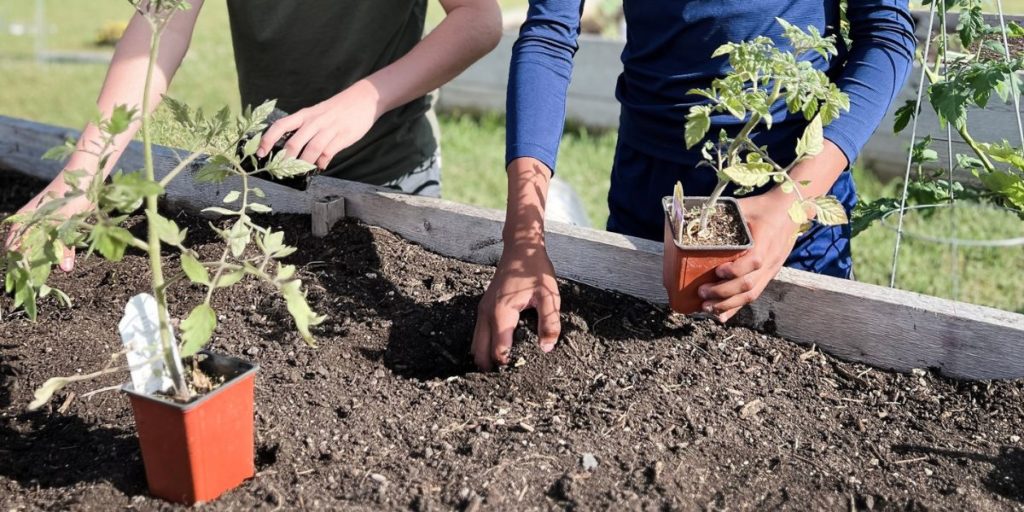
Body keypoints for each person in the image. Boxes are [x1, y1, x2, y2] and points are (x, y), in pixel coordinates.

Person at [472, 1, 916, 370]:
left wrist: (790, 203)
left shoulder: (791, 206)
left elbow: (886, 34)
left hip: (793, 212)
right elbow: (549, 36)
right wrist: (523, 241)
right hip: (647, 205)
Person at [6, 0, 502, 270]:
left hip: (389, 173)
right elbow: (159, 30)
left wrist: (366, 98)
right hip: (267, 176)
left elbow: (478, 19)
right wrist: (80, 178)